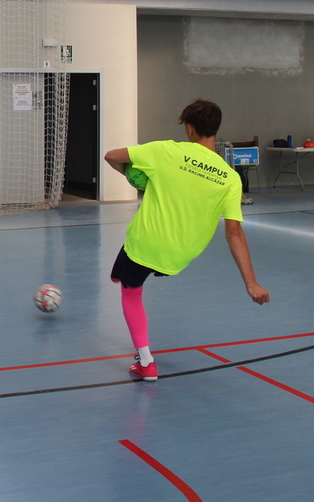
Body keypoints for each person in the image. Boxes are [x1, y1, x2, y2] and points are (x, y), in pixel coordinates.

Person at [103, 99, 269, 382]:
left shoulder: (165, 150)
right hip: (181, 255)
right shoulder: (230, 178)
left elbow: (111, 156)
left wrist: (134, 177)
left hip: (146, 244)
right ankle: (130, 277)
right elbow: (233, 232)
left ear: (189, 128)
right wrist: (251, 283)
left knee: (131, 290)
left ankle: (146, 363)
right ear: (214, 130)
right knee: (131, 275)